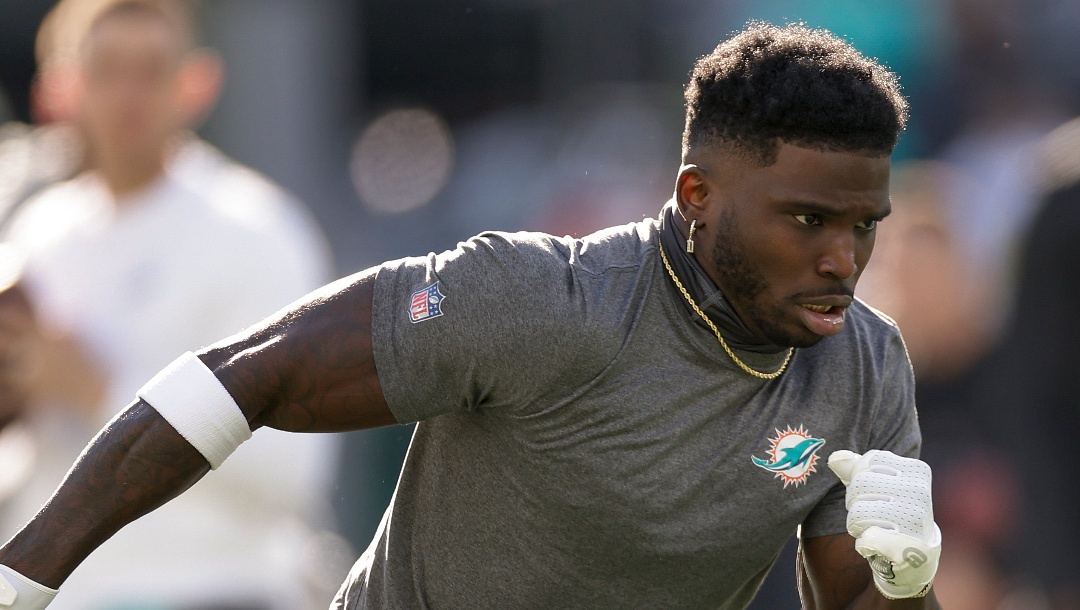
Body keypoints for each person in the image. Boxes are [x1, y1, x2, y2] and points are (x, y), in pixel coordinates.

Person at [0, 22, 942, 610]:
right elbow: (249, 373)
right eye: (808, 220)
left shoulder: (864, 364)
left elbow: (860, 602)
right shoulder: (540, 300)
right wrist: (25, 573)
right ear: (696, 193)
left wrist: (906, 586)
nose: (842, 258)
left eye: (865, 225)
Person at [0, 1, 340, 608]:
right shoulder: (37, 237)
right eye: (107, 69)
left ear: (196, 83)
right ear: (59, 89)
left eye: (151, 70)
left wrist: (97, 390)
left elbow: (293, 471)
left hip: (224, 591)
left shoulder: (258, 231)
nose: (130, 95)